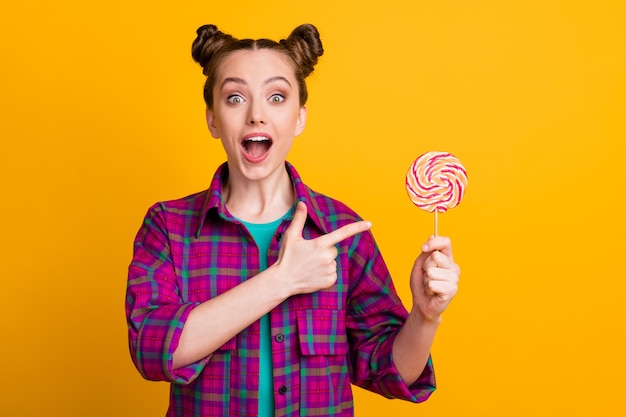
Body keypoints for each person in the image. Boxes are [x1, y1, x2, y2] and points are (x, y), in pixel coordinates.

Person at [125, 23, 460, 417]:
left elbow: (391, 372)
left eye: (276, 97)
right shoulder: (169, 225)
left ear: (299, 118)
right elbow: (152, 348)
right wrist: (282, 280)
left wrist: (424, 317)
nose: (256, 116)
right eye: (234, 98)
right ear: (213, 120)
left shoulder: (341, 231)